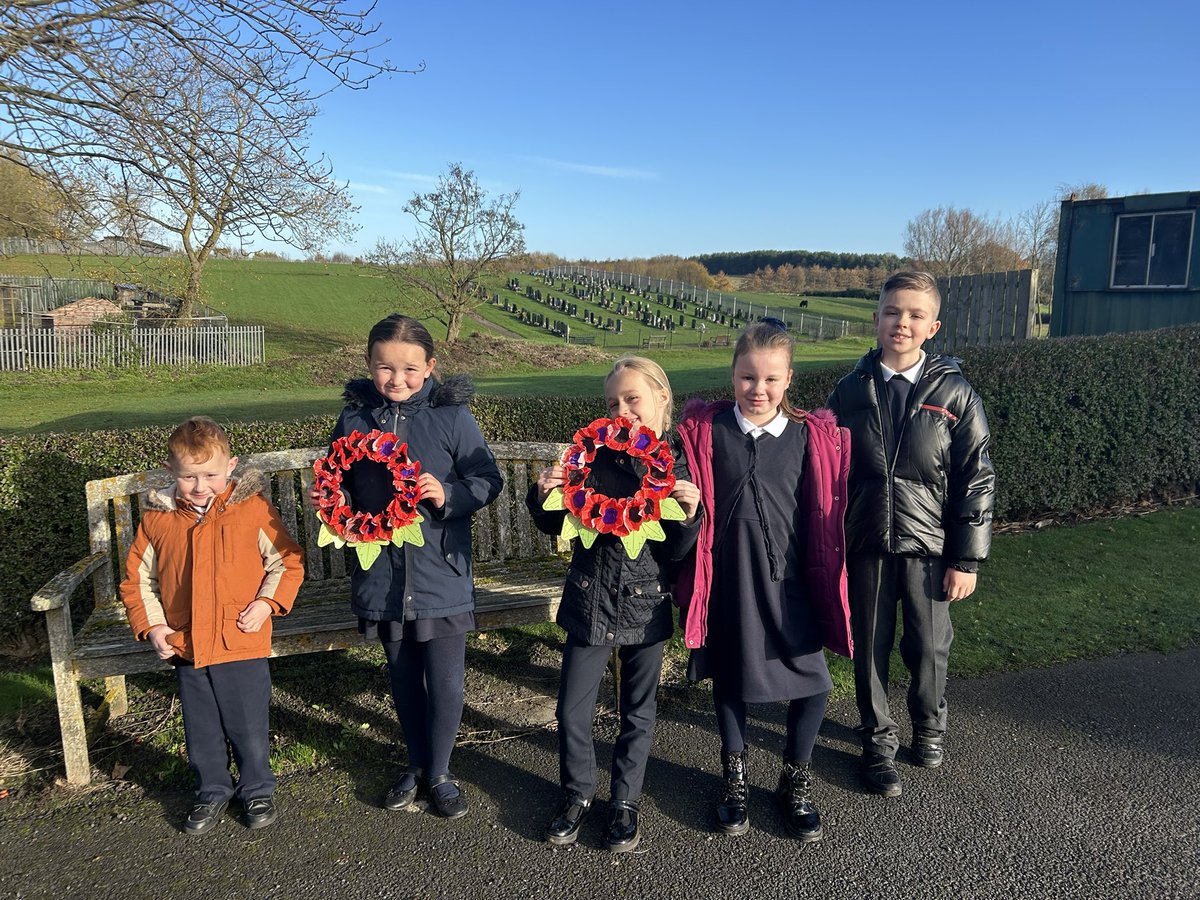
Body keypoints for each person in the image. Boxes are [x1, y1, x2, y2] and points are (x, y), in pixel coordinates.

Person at [675, 321, 851, 843]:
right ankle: (735, 779)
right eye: (748, 377)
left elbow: (824, 505)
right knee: (731, 679)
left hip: (788, 581)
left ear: (789, 379)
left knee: (814, 682)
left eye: (771, 379)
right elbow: (680, 495)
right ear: (732, 376)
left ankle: (794, 780)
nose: (759, 389)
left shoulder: (804, 436)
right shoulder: (708, 432)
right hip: (728, 580)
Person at [326, 314, 503, 819]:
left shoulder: (452, 417)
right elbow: (335, 476)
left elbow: (487, 479)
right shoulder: (354, 420)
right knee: (402, 676)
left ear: (430, 367)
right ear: (370, 365)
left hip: (439, 573)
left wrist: (447, 493)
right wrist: (332, 497)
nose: (396, 379)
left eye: (409, 368)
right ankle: (415, 761)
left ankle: (441, 771)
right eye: (385, 368)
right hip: (382, 577)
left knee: (445, 681)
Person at [826, 271, 995, 797]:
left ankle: (928, 726)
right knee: (870, 644)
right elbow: (827, 468)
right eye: (893, 311)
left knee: (928, 645)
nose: (902, 322)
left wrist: (966, 559)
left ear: (932, 326)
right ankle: (877, 737)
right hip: (867, 543)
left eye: (915, 315)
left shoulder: (955, 392)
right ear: (875, 319)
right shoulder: (850, 389)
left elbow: (977, 475)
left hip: (930, 548)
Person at [528, 356, 701, 853]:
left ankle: (625, 800)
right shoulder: (588, 458)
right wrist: (545, 496)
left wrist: (688, 516)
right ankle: (577, 793)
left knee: (637, 712)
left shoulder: (673, 464)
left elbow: (674, 551)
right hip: (590, 598)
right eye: (612, 402)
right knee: (572, 710)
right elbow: (552, 523)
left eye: (633, 399)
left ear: (661, 400)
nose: (622, 410)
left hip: (646, 604)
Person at [120, 416, 305, 835]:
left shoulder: (252, 509)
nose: (200, 486)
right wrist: (154, 629)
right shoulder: (157, 520)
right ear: (171, 473)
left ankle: (257, 787)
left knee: (247, 723)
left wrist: (266, 603)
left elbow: (286, 561)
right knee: (200, 726)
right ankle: (212, 790)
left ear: (231, 467)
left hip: (240, 637)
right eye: (189, 477)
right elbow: (138, 581)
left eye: (210, 475)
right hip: (187, 644)